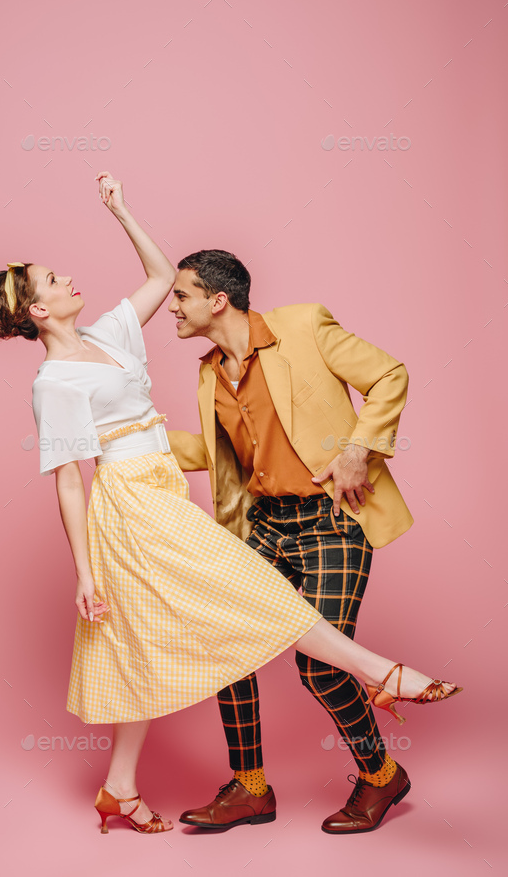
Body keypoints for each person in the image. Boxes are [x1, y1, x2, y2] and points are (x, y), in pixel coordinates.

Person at [0, 172, 461, 837]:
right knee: (234, 625)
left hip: (253, 506)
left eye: (184, 298)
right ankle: (351, 701)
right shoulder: (59, 382)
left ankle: (130, 786)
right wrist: (86, 571)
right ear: (37, 311)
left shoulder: (119, 335)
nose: (65, 280)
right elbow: (71, 478)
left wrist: (120, 210)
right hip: (147, 506)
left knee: (213, 648)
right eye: (53, 280)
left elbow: (160, 274)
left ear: (218, 300)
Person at [166, 249, 441, 834]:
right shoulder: (209, 370)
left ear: (219, 300)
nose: (173, 307)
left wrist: (357, 449)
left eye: (182, 295)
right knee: (228, 648)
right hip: (265, 525)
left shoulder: (303, 325)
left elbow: (390, 374)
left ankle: (379, 774)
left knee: (319, 665)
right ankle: (250, 788)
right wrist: (128, 447)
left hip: (333, 520)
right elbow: (221, 456)